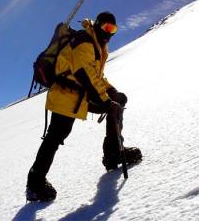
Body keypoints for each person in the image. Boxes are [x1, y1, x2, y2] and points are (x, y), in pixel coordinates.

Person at [26, 11, 142, 202]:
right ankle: (35, 184)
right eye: (106, 27)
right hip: (66, 94)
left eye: (113, 29)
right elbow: (84, 74)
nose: (109, 32)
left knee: (117, 103)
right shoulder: (85, 41)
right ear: (97, 25)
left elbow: (96, 76)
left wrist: (112, 92)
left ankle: (113, 154)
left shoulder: (96, 44)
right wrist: (106, 101)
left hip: (80, 95)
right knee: (56, 136)